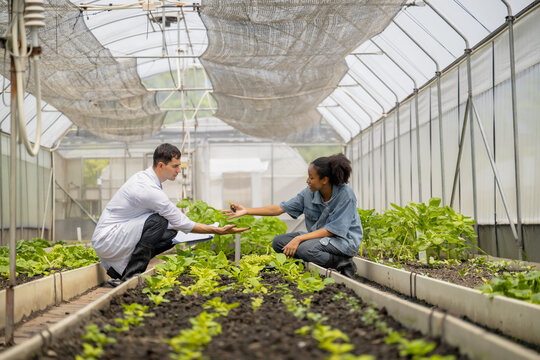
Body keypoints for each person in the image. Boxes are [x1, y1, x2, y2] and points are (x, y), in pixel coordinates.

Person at [92, 143, 248, 285]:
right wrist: (217, 230)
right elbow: (181, 222)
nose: (179, 171)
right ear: (161, 165)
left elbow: (176, 224)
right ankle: (131, 278)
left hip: (118, 235)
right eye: (175, 166)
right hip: (108, 239)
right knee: (159, 222)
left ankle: (120, 273)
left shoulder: (150, 181)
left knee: (168, 235)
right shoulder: (147, 188)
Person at [223, 153, 362, 278]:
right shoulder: (309, 193)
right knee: (279, 242)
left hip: (344, 241)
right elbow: (278, 209)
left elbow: (332, 230)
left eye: (311, 178)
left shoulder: (345, 195)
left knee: (305, 248)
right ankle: (310, 261)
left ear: (324, 180)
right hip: (320, 239)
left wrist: (299, 239)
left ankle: (343, 263)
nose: (308, 181)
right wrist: (247, 210)